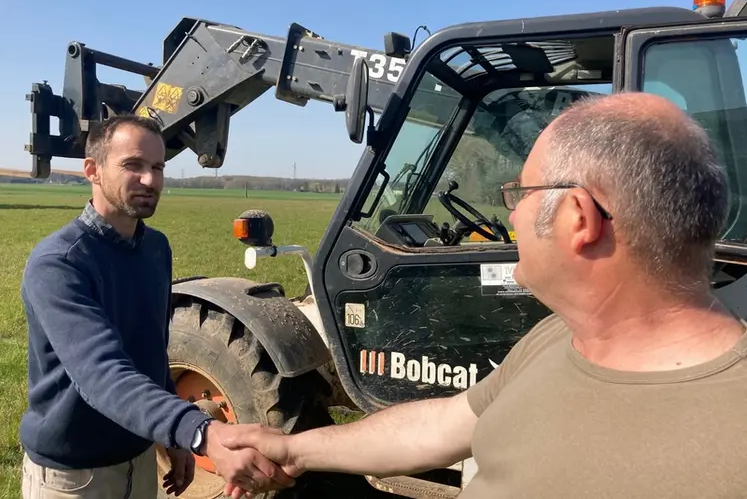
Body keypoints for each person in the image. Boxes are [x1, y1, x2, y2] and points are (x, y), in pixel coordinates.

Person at [217, 92, 747, 499]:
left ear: (578, 218)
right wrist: (291, 447)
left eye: (519, 194)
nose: (511, 216)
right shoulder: (561, 336)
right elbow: (442, 425)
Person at [19, 114, 295, 498]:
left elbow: (150, 351)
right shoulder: (60, 263)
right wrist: (199, 431)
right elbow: (102, 374)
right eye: (132, 165)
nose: (150, 180)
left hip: (140, 452)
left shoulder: (155, 248)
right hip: (75, 474)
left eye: (157, 167)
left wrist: (175, 438)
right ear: (92, 170)